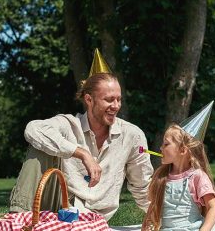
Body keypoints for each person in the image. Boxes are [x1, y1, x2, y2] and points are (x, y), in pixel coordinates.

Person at [9, 49, 153, 220]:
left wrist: (160, 219)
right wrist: (81, 153)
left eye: (118, 99)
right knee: (39, 147)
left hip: (94, 219)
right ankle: (17, 222)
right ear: (89, 99)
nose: (116, 106)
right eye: (109, 99)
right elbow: (33, 129)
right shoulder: (68, 124)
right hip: (58, 207)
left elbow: (142, 186)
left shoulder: (132, 135)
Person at [140, 102, 215, 231]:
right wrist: (145, 229)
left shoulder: (197, 176)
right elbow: (153, 206)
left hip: (198, 228)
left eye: (166, 144)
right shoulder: (161, 176)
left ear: (182, 150)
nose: (161, 148)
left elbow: (213, 207)